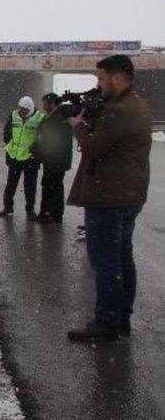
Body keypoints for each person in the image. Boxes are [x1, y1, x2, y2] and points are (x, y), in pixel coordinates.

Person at [66, 55, 152, 342]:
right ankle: (121, 318)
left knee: (105, 261)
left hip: (109, 195)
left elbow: (94, 147)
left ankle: (106, 323)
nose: (98, 84)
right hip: (128, 193)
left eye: (101, 78)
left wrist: (78, 124)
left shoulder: (118, 110)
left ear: (117, 78)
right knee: (122, 257)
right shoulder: (137, 105)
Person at [0, 96, 45, 219]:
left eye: (25, 110)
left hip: (31, 158)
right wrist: (9, 143)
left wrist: (36, 150)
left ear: (30, 109)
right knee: (11, 185)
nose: (22, 112)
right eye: (21, 109)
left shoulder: (39, 118)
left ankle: (30, 210)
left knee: (30, 186)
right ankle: (7, 208)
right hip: (14, 157)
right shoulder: (14, 115)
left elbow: (43, 137)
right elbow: (7, 131)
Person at [34, 93, 74, 223]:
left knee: (53, 187)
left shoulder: (59, 118)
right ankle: (49, 214)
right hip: (54, 159)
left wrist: (41, 152)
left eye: (46, 104)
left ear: (52, 104)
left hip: (56, 160)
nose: (44, 107)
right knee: (50, 186)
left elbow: (51, 140)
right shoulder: (52, 117)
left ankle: (52, 215)